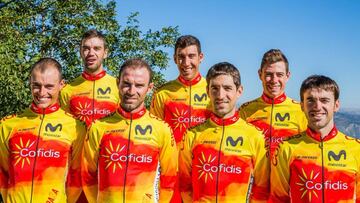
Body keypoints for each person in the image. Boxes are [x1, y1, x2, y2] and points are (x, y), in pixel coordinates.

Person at [82, 58, 178, 203]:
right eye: (126, 84)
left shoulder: (162, 129)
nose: (132, 91)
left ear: (149, 88)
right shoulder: (98, 127)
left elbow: (169, 179)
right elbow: (88, 175)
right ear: (117, 83)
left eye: (139, 85)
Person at [179, 62, 269, 202]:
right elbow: (184, 184)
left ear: (239, 91)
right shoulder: (192, 135)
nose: (220, 95)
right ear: (207, 91)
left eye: (227, 88)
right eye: (215, 88)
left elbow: (262, 189)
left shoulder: (254, 136)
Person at [0, 58, 86, 203]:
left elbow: (76, 178)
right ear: (30, 83)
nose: (42, 92)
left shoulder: (76, 127)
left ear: (61, 85)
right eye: (37, 85)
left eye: (49, 86)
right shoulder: (7, 124)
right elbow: (3, 173)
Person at [270, 75, 360, 202]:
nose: (317, 107)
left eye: (324, 100)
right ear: (302, 106)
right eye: (310, 100)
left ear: (336, 105)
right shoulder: (286, 148)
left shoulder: (356, 149)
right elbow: (277, 199)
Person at [238, 49, 307, 164]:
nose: (274, 80)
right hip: (256, 180)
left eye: (279, 75)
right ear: (260, 74)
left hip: (286, 180)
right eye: (269, 74)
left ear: (287, 76)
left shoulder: (301, 110)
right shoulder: (245, 111)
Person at [150, 35, 211, 146]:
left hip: (203, 160)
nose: (186, 63)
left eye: (191, 56)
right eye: (181, 57)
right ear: (175, 59)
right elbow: (155, 133)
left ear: (200, 57)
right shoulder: (162, 93)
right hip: (172, 161)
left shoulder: (214, 89)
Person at [60, 29, 119, 126]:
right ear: (80, 52)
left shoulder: (119, 86)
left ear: (105, 53)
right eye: (86, 48)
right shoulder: (67, 89)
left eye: (96, 48)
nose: (91, 53)